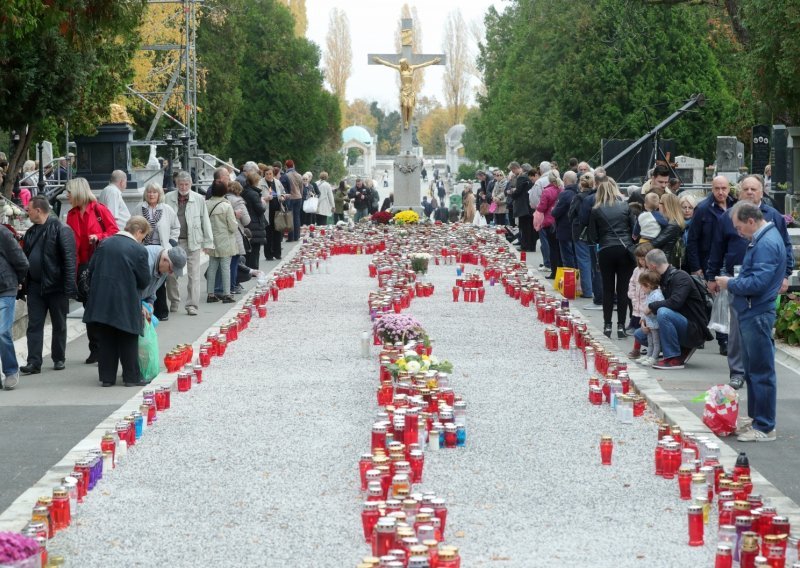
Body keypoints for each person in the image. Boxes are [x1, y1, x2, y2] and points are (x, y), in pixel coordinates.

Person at [706, 174, 793, 388]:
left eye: (755, 189)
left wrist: (786, 274)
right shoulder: (729, 216)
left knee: (761, 326)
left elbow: (786, 247)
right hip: (736, 277)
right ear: (739, 192)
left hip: (764, 281)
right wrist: (711, 275)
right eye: (746, 189)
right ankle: (737, 371)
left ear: (762, 192)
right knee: (737, 329)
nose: (750, 193)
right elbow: (717, 247)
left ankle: (760, 370)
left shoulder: (773, 217)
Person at [716, 201, 786, 442]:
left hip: (756, 310)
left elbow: (758, 283)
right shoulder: (766, 237)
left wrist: (730, 283)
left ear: (751, 221)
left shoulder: (765, 243)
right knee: (754, 369)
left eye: (739, 227)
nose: (738, 233)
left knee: (760, 371)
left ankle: (765, 426)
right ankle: (758, 420)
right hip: (751, 310)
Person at [83, 216, 151, 387]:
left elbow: (91, 270)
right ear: (138, 232)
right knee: (128, 337)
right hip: (125, 300)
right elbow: (144, 280)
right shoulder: (139, 250)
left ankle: (107, 378)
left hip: (101, 299)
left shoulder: (104, 243)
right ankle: (131, 377)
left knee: (106, 338)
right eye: (144, 236)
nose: (143, 239)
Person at [20, 196, 77, 375]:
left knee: (59, 323)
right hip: (36, 286)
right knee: (34, 324)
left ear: (38, 210)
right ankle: (33, 362)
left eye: (29, 209)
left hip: (56, 286)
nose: (26, 211)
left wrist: (68, 288)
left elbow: (69, 260)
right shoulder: (31, 232)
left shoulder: (61, 229)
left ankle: (59, 358)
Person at [65, 177, 118, 363]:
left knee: (101, 306)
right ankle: (95, 347)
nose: (67, 196)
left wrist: (99, 236)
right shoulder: (71, 215)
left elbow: (115, 232)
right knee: (89, 309)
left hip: (100, 266)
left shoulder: (99, 210)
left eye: (69, 193)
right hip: (81, 268)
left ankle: (106, 346)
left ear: (78, 192)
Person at [644, 248, 712, 370]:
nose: (647, 269)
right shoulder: (664, 277)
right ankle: (681, 348)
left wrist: (651, 306)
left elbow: (675, 303)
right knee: (641, 334)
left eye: (647, 266)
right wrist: (645, 320)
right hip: (681, 322)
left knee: (663, 312)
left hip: (694, 328)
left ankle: (673, 357)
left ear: (653, 266)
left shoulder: (681, 277)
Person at [588, 177, 636, 339]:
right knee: (623, 290)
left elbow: (592, 236)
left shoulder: (596, 210)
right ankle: (621, 326)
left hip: (606, 249)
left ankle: (607, 325)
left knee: (608, 289)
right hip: (624, 249)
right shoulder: (625, 206)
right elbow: (633, 229)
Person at [164, 170, 214, 316]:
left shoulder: (198, 199)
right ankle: (174, 300)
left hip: (192, 240)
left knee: (194, 274)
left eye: (186, 184)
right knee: (171, 274)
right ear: (176, 184)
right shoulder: (168, 198)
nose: (184, 187)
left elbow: (205, 220)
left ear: (191, 184)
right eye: (181, 184)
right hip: (173, 241)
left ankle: (192, 305)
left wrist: (208, 242)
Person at [137, 182, 180, 321]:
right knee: (146, 280)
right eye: (149, 192)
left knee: (160, 281)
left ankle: (161, 311)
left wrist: (172, 243)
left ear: (159, 194)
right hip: (144, 249)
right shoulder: (139, 208)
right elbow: (131, 224)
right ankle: (145, 309)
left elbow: (175, 227)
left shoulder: (166, 209)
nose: (151, 195)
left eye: (154, 192)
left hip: (162, 248)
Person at [0, 223, 29, 390]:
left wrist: (15, 281)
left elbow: (21, 261)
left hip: (5, 288)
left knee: (3, 332)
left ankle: (11, 370)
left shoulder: (2, 233)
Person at [205, 180, 238, 303]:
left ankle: (210, 293)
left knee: (212, 267)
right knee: (225, 267)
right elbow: (233, 226)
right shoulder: (226, 205)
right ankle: (227, 294)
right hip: (225, 239)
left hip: (211, 239)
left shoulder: (206, 204)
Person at [571, 173, 600, 306]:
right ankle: (596, 289)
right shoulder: (596, 197)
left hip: (581, 231)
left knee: (584, 260)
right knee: (594, 261)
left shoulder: (579, 197)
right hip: (595, 232)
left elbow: (571, 214)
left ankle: (587, 290)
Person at [222, 181, 250, 294]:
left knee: (224, 263)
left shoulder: (222, 199)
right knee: (234, 262)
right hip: (235, 234)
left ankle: (223, 286)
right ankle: (232, 285)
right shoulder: (238, 201)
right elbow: (246, 220)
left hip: (223, 234)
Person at [633, 270, 665, 367]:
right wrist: (643, 319)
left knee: (656, 341)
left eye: (642, 286)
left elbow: (656, 309)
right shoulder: (649, 294)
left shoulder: (657, 295)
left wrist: (647, 317)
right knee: (650, 341)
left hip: (655, 323)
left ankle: (654, 357)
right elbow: (646, 308)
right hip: (650, 323)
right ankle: (649, 355)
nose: (641, 289)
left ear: (648, 285)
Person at [627, 242, 655, 351]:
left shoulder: (651, 272)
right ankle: (637, 349)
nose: (641, 262)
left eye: (644, 259)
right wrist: (632, 295)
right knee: (638, 328)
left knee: (647, 328)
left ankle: (647, 348)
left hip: (646, 305)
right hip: (637, 304)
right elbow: (632, 283)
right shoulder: (636, 270)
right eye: (639, 259)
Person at [535, 171, 563, 278]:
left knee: (552, 248)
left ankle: (554, 271)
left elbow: (542, 207)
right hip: (559, 221)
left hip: (549, 221)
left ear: (549, 180)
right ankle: (560, 270)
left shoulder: (547, 191)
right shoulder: (562, 189)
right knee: (559, 248)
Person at [649, 193, 686, 267]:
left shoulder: (673, 225)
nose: (658, 205)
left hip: (664, 262)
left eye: (660, 202)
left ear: (666, 206)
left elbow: (655, 243)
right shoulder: (670, 222)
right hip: (662, 260)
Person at [241, 171, 267, 269]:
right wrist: (263, 203)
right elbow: (260, 209)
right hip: (255, 223)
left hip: (249, 223)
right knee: (255, 249)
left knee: (249, 248)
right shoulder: (254, 194)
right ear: (256, 181)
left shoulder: (245, 191)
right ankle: (254, 269)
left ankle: (248, 268)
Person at [551, 171, 577, 269]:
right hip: (575, 228)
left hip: (564, 228)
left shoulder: (565, 194)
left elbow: (556, 212)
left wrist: (553, 210)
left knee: (567, 256)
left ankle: (570, 279)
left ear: (565, 180)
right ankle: (577, 278)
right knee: (575, 255)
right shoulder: (578, 192)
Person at [509, 162, 533, 252]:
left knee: (524, 227)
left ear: (516, 168)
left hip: (523, 206)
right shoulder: (526, 177)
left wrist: (512, 192)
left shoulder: (522, 177)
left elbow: (517, 192)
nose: (513, 172)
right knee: (526, 227)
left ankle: (525, 245)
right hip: (526, 205)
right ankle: (527, 245)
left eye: (512, 170)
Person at [263, 167, 284, 261]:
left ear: (273, 174)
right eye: (266, 174)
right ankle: (268, 254)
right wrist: (265, 198)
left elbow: (283, 192)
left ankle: (277, 253)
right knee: (268, 233)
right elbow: (259, 197)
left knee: (277, 232)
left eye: (270, 174)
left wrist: (282, 197)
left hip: (277, 209)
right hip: (267, 211)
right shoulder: (261, 183)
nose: (268, 175)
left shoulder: (277, 182)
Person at [282, 160, 304, 241]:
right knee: (297, 217)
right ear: (293, 165)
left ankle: (291, 237)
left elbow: (284, 188)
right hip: (298, 197)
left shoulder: (286, 175)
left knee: (290, 217)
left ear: (286, 166)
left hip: (290, 198)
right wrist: (300, 195)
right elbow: (301, 187)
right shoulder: (299, 175)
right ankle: (297, 236)